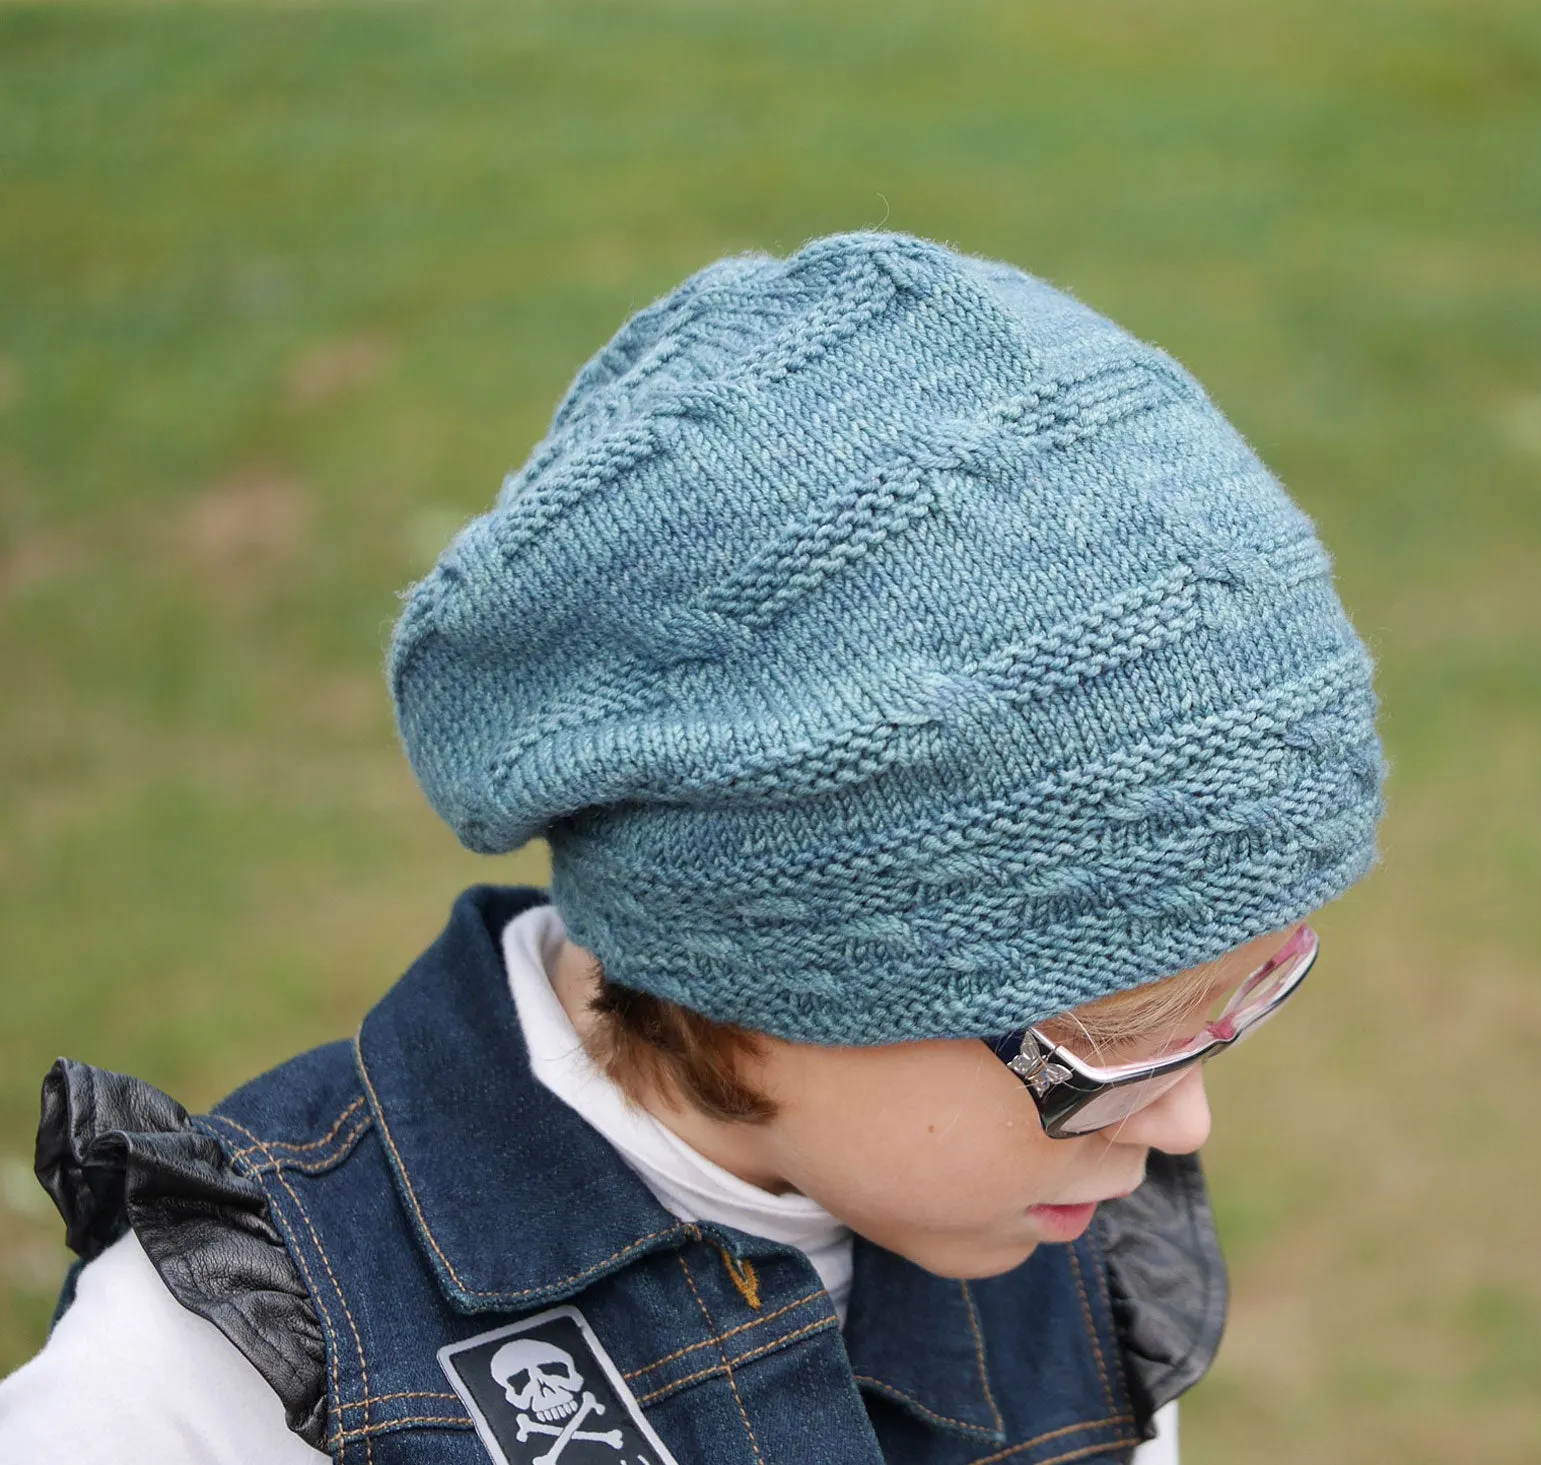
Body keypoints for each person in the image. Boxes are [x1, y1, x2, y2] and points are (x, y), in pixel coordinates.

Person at [0, 231, 1384, 1465]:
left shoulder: (1064, 1259)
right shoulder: (231, 1366)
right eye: (1117, 1040)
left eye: (1245, 996)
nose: (1183, 1122)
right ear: (786, 954)